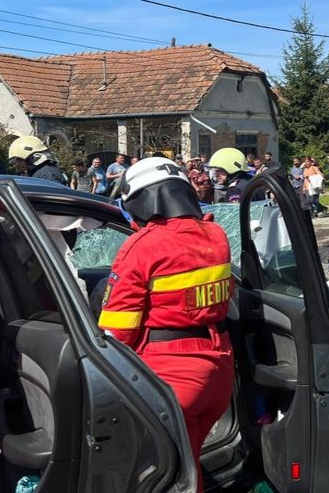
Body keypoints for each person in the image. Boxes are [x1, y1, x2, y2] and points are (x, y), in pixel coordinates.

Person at [97, 157, 233, 490]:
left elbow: (116, 334)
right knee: (190, 465)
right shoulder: (215, 235)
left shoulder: (143, 246)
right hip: (217, 371)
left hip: (170, 378)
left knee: (170, 479)